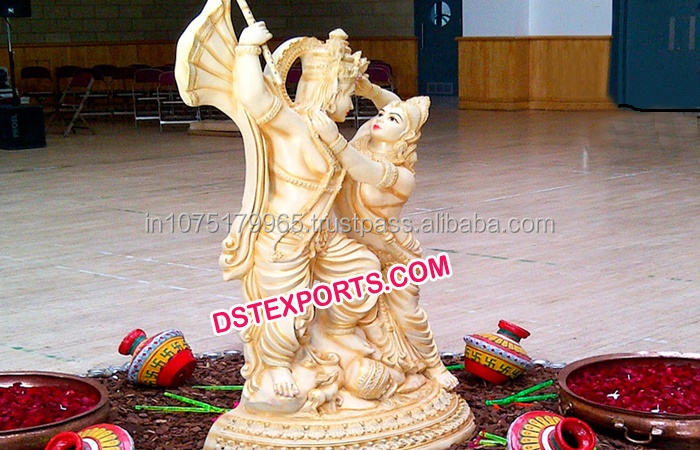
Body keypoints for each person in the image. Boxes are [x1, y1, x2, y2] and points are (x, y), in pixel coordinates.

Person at [310, 81, 459, 391]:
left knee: (408, 314)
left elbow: (362, 170)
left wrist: (333, 138)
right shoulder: (365, 139)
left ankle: (434, 365)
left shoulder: (401, 176)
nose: (381, 119)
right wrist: (370, 91)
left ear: (407, 137)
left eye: (393, 120)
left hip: (395, 254)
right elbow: (393, 103)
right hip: (354, 246)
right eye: (380, 114)